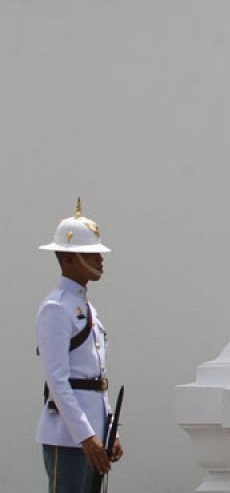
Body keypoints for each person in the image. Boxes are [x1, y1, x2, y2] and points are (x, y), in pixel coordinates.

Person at [37, 200, 123, 493]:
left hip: (93, 433)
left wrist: (109, 429)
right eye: (91, 253)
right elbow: (58, 380)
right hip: (68, 435)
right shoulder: (56, 308)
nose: (100, 259)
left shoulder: (86, 308)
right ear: (68, 258)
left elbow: (97, 379)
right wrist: (85, 436)